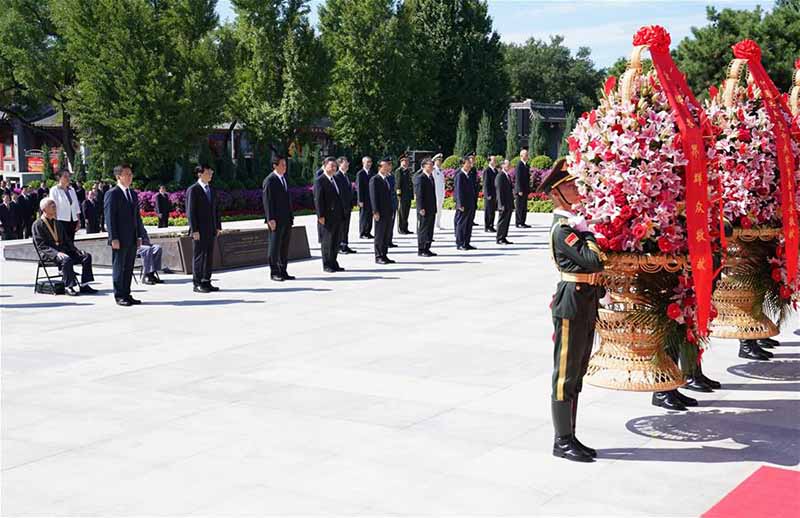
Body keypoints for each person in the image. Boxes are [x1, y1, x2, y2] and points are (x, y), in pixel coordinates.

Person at [539, 158, 605, 463]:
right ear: (556, 195)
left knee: (577, 370)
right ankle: (561, 440)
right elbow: (594, 261)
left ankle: (571, 436)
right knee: (565, 373)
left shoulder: (573, 226)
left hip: (585, 298)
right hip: (571, 301)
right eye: (568, 185)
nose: (575, 189)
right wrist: (589, 233)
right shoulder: (562, 230)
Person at [32, 197, 97, 296]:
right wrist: (56, 253)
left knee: (86, 256)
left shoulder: (57, 223)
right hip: (49, 254)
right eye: (51, 205)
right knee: (66, 259)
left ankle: (84, 285)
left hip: (63, 251)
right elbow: (41, 245)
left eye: (54, 204)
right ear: (44, 209)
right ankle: (68, 286)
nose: (54, 207)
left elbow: (67, 240)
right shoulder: (37, 224)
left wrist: (76, 251)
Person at [105, 164, 147, 306]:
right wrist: (113, 237)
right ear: (118, 177)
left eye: (130, 174)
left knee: (128, 267)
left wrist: (140, 235)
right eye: (126, 174)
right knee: (119, 266)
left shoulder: (132, 193)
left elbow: (137, 217)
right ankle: (119, 295)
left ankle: (127, 293)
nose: (130, 177)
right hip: (119, 238)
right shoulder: (112, 193)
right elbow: (110, 217)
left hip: (132, 237)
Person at [186, 164, 222, 293]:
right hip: (199, 231)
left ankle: (206, 280)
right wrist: (194, 229)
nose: (210, 174)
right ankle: (197, 282)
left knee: (209, 256)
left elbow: (216, 210)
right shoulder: (193, 190)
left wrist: (218, 226)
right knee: (199, 256)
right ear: (200, 174)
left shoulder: (211, 189)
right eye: (208, 172)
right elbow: (190, 212)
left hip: (210, 229)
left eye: (211, 172)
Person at [262, 155, 295, 281]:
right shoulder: (270, 180)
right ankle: (274, 271)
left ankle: (283, 270)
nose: (284, 167)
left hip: (286, 219)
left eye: (285, 165)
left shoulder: (284, 179)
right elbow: (267, 201)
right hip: (275, 220)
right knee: (274, 246)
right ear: (275, 166)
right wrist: (270, 219)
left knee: (284, 246)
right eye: (282, 165)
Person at [313, 157, 345, 273]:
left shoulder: (335, 179)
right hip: (326, 217)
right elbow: (318, 199)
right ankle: (327, 264)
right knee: (327, 242)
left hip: (337, 216)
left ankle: (333, 262)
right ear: (325, 166)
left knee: (336, 241)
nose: (334, 168)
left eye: (335, 166)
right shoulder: (320, 180)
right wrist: (320, 215)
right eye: (331, 166)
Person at [369, 156, 396, 265]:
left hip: (388, 211)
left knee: (386, 234)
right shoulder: (375, 179)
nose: (389, 167)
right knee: (379, 235)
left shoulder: (387, 179)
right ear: (380, 167)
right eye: (387, 165)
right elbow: (373, 197)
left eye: (389, 165)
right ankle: (379, 256)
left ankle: (384, 255)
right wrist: (375, 211)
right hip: (380, 212)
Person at [49, 170, 81, 243]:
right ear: (59, 178)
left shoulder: (72, 190)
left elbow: (76, 206)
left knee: (71, 243)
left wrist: (78, 221)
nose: (68, 178)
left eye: (69, 176)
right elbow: (53, 207)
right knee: (62, 243)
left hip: (72, 220)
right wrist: (54, 222)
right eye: (65, 176)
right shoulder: (54, 190)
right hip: (61, 220)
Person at [414, 158, 437, 257]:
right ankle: (421, 249)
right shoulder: (420, 178)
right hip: (424, 208)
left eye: (432, 164)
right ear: (424, 166)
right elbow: (419, 195)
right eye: (430, 164)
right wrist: (420, 208)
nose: (432, 166)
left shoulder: (431, 177)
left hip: (431, 207)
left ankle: (427, 247)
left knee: (430, 229)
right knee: (423, 229)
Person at [334, 157, 357, 254]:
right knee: (340, 228)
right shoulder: (337, 176)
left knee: (346, 227)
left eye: (347, 163)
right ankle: (339, 246)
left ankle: (345, 244)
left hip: (347, 207)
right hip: (340, 208)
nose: (347, 164)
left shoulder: (346, 175)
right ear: (340, 164)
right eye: (345, 163)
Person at [454, 157, 476, 250]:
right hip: (463, 204)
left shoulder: (469, 175)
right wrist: (460, 204)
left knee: (468, 224)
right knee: (461, 224)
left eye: (470, 163)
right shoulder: (460, 175)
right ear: (463, 164)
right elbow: (458, 191)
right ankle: (460, 243)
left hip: (470, 203)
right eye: (468, 163)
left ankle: (467, 242)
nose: (470, 165)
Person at [495, 159, 514, 245]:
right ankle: (499, 238)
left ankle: (504, 236)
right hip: (503, 204)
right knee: (502, 221)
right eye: (507, 164)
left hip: (508, 203)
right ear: (503, 165)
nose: (509, 166)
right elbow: (499, 192)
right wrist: (501, 204)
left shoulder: (507, 175)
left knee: (506, 221)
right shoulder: (500, 176)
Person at [394, 154, 414, 234]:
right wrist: (398, 194)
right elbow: (398, 183)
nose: (406, 162)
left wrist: (412, 194)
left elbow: (410, 184)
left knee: (406, 212)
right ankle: (401, 228)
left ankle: (405, 228)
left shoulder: (408, 171)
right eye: (404, 161)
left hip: (407, 195)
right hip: (401, 195)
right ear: (401, 162)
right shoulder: (399, 171)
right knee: (401, 212)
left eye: (407, 161)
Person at [356, 156, 375, 239]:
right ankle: (362, 232)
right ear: (363, 163)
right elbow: (359, 188)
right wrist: (360, 200)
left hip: (371, 198)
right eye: (367, 162)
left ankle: (368, 232)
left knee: (370, 216)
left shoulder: (372, 173)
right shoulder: (360, 173)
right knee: (363, 216)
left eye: (370, 162)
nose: (369, 164)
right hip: (363, 199)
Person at [515, 148, 531, 228]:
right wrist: (519, 189)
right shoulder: (519, 165)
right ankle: (518, 222)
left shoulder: (526, 165)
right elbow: (518, 178)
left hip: (525, 189)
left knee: (524, 207)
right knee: (519, 207)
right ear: (521, 156)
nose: (527, 156)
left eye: (527, 154)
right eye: (526, 154)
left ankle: (523, 221)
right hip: (520, 190)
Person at [483, 155, 498, 232]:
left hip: (494, 194)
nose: (495, 162)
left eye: (495, 160)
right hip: (489, 195)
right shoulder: (487, 170)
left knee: (492, 211)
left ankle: (491, 225)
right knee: (488, 211)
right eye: (493, 160)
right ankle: (487, 226)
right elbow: (485, 184)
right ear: (489, 161)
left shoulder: (495, 171)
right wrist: (487, 194)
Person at [386, 160, 398, 248]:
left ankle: (389, 240)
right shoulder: (383, 177)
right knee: (386, 224)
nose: (390, 167)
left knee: (391, 223)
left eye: (391, 165)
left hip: (393, 203)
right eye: (388, 165)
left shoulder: (392, 176)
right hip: (387, 204)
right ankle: (386, 241)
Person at [432, 153, 445, 230]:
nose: (440, 162)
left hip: (440, 193)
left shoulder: (441, 170)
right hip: (435, 193)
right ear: (435, 161)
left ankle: (438, 223)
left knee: (439, 209)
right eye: (438, 160)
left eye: (441, 161)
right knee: (435, 209)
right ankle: (434, 224)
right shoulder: (433, 170)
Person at [467, 153, 479, 226]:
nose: (473, 161)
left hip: (474, 190)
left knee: (474, 206)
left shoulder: (474, 169)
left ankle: (472, 219)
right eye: (471, 160)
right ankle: (469, 220)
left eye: (474, 160)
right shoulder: (467, 169)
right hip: (468, 191)